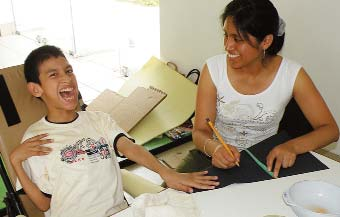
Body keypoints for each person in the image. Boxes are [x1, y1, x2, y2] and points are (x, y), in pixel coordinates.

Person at [9, 45, 219, 217]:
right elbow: (43, 204)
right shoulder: (36, 138)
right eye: (53, 75)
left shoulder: (99, 119)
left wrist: (167, 173)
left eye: (69, 71)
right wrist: (16, 161)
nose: (67, 79)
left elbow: (130, 148)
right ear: (36, 89)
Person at [192, 0, 339, 178]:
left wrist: (292, 146)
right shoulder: (214, 69)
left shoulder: (291, 74)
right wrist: (214, 148)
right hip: (216, 159)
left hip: (264, 160)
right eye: (226, 35)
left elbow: (330, 130)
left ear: (266, 41)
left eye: (237, 39)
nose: (228, 46)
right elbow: (200, 131)